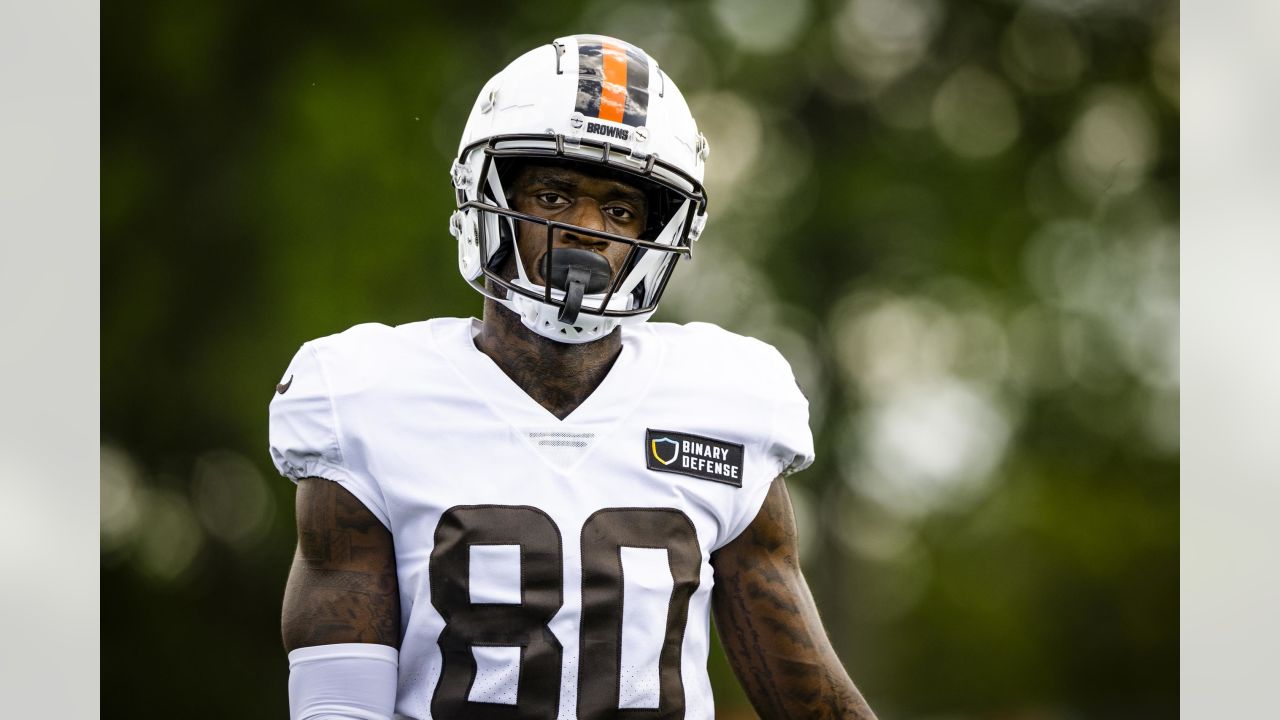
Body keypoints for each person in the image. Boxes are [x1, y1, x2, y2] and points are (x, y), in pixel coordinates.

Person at [270, 33, 878, 720]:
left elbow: (811, 703)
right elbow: (339, 708)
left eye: (620, 210)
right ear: (489, 196)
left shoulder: (727, 402)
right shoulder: (369, 397)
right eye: (556, 196)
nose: (589, 228)